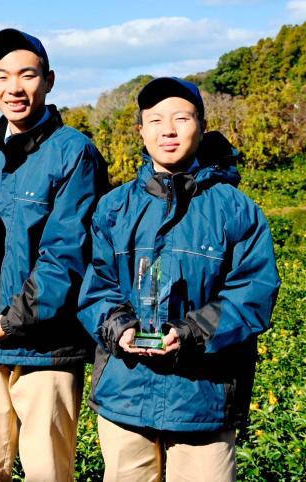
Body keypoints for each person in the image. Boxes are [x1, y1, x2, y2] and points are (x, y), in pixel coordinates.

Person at [77, 77, 280, 482]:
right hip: (125, 392)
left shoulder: (236, 209)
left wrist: (190, 333)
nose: (167, 130)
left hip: (203, 399)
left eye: (181, 118)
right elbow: (96, 287)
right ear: (141, 131)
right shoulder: (113, 207)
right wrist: (119, 327)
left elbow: (253, 294)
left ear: (202, 126)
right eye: (154, 120)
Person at [0, 28, 109, 481]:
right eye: (2, 77)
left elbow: (68, 255)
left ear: (49, 80)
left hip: (46, 348)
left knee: (47, 470)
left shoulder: (75, 153)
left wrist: (11, 321)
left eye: (27, 75)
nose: (14, 88)